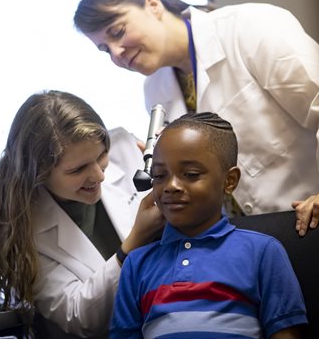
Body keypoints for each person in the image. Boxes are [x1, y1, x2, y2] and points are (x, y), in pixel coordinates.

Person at [73, 0, 319, 234]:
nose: (116, 53)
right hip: (245, 235)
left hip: (308, 214)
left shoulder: (249, 27)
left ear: (153, 4)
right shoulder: (155, 89)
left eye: (117, 32)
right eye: (104, 49)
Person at [0, 90, 164, 338]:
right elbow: (80, 319)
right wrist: (134, 242)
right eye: (78, 169)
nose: (99, 175)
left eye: (101, 156)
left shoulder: (126, 150)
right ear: (39, 173)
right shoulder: (24, 231)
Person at [110, 112, 308, 339]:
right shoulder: (137, 264)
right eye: (159, 175)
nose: (171, 186)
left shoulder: (262, 252)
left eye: (191, 174)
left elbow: (286, 333)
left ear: (229, 181)